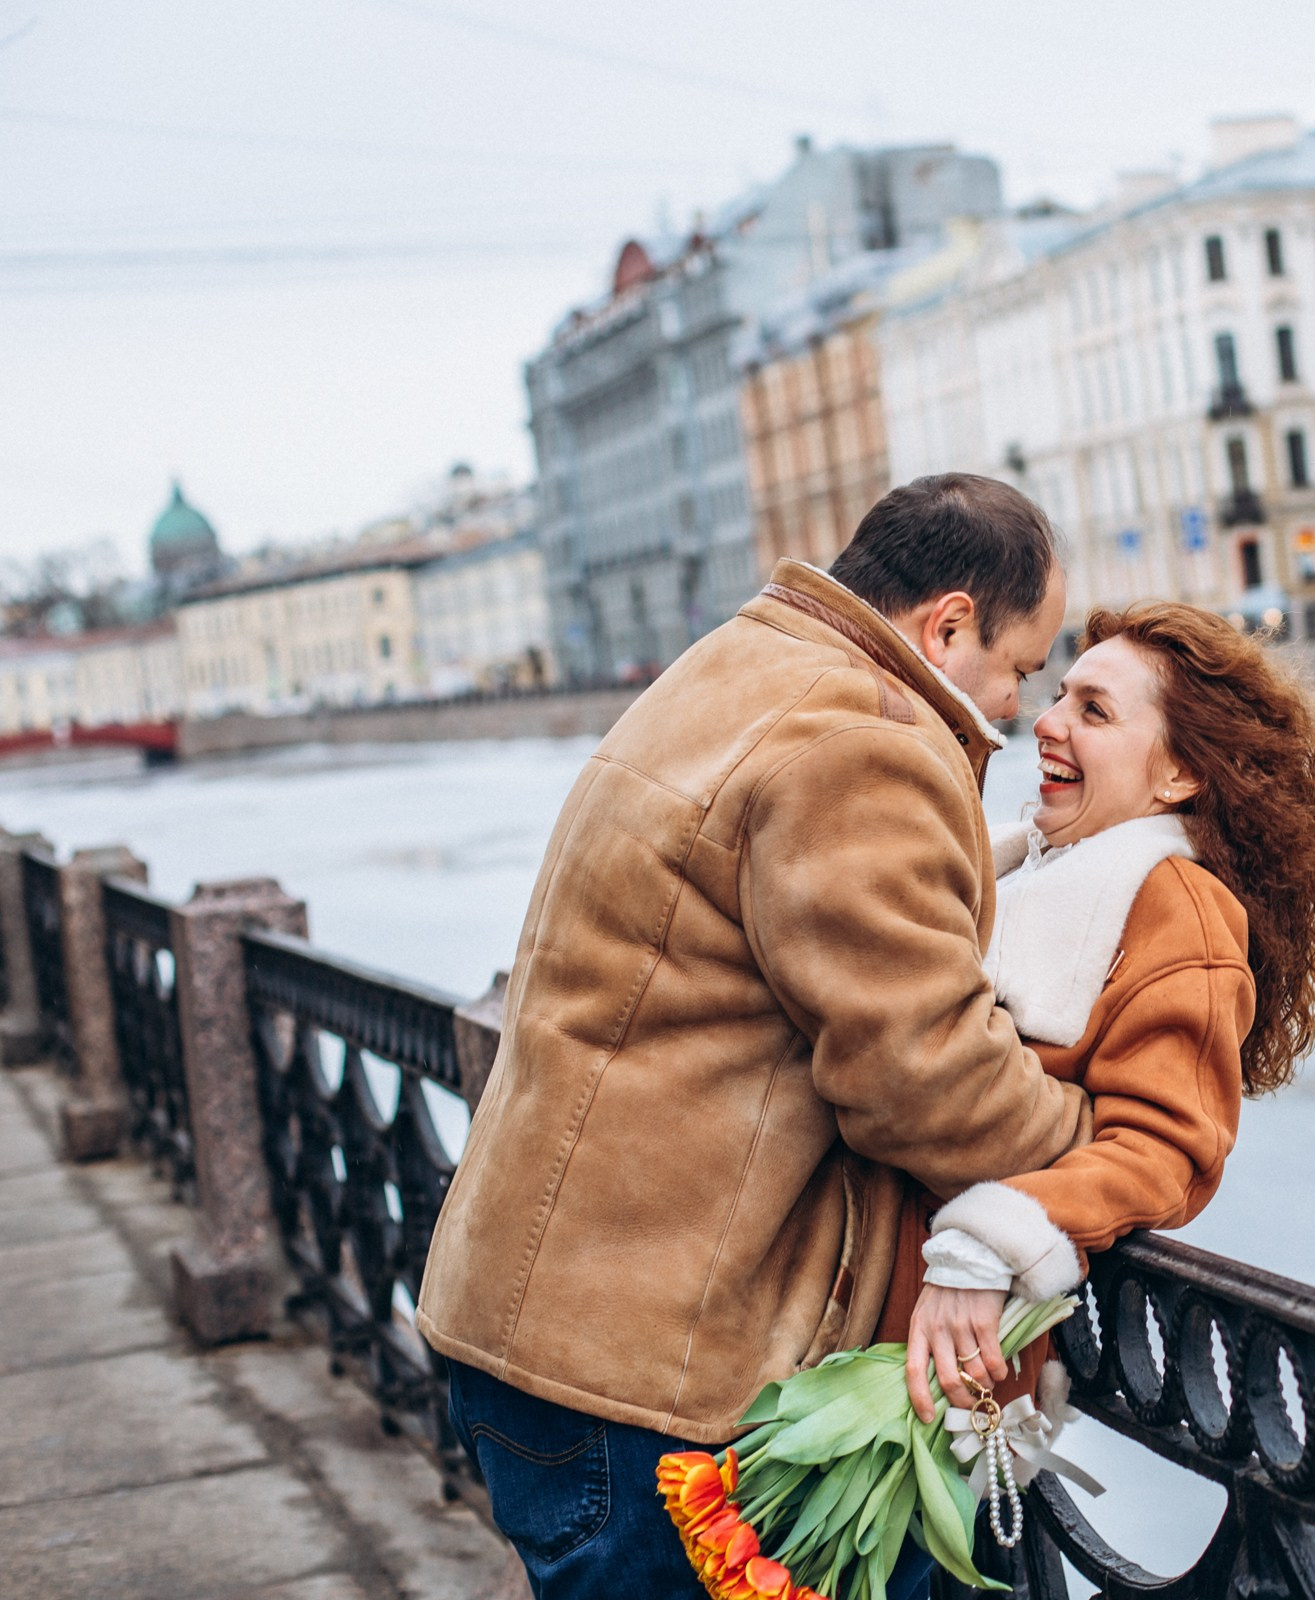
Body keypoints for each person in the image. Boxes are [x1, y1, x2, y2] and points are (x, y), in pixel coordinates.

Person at [417, 475, 1093, 1599]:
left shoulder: (741, 664)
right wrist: (1096, 1138)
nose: (1020, 708)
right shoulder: (863, 740)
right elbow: (927, 1079)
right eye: (1021, 667)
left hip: (538, 1332)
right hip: (644, 1387)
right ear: (950, 624)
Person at [865, 603, 1315, 1438]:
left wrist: (994, 1238)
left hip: (928, 1378)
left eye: (1093, 711)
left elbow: (1169, 1149)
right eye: (1060, 694)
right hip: (868, 1340)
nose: (1048, 722)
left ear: (1178, 775)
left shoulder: (1176, 909)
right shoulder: (1017, 863)